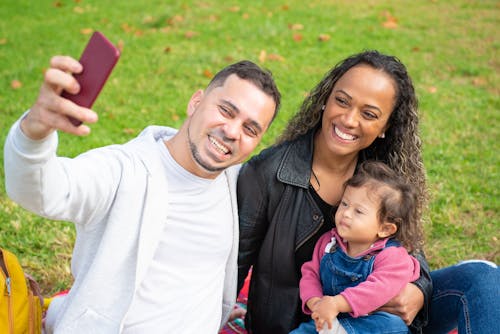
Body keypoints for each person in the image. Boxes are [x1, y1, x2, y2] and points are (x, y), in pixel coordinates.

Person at [4, 55, 280, 333]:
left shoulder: (237, 182)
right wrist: (33, 135)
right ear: (196, 102)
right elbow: (40, 192)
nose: (232, 131)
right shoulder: (123, 170)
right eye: (226, 111)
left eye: (250, 129)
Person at [237, 50, 499, 334]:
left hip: (379, 322)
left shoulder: (381, 177)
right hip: (305, 326)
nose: (349, 120)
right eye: (342, 101)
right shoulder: (267, 173)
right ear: (326, 98)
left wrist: (419, 290)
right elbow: (233, 265)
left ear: (386, 126)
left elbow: (410, 250)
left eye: (369, 114)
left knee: (481, 277)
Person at [291, 161, 421, 334]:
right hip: (331, 319)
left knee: (391, 324)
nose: (346, 213)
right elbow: (310, 275)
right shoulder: (328, 243)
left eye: (358, 211)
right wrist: (316, 304)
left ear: (385, 228)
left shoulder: (393, 256)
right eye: (344, 204)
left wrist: (337, 303)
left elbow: (378, 289)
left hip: (370, 324)